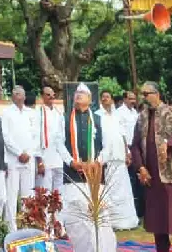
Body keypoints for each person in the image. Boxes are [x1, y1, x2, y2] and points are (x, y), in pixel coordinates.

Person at [130, 81, 172, 252]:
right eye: (142, 94)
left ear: (157, 94)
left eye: (147, 94)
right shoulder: (142, 117)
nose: (144, 98)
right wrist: (141, 168)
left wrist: (169, 144)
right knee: (158, 225)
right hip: (152, 178)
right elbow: (135, 145)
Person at [61, 83, 115, 252]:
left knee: (100, 216)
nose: (78, 95)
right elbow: (58, 144)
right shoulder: (63, 118)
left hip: (95, 175)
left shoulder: (99, 119)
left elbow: (109, 145)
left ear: (90, 100)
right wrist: (71, 161)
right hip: (73, 175)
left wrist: (97, 162)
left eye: (82, 93)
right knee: (77, 218)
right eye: (77, 93)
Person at [97, 90, 138, 231]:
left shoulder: (117, 115)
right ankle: (112, 221)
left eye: (107, 97)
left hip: (120, 156)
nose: (105, 99)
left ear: (112, 100)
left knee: (123, 188)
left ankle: (127, 221)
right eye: (102, 97)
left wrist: (127, 152)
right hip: (107, 158)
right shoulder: (97, 116)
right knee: (110, 189)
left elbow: (123, 134)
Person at [2, 86, 37, 232]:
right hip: (13, 159)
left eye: (19, 94)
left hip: (29, 159)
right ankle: (11, 228)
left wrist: (28, 153)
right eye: (14, 93)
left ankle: (27, 226)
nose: (16, 96)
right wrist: (18, 153)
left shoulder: (32, 113)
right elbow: (6, 136)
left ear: (23, 97)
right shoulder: (6, 113)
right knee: (11, 194)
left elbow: (36, 135)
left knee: (28, 194)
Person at [117, 91, 144, 219]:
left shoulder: (135, 113)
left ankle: (141, 210)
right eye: (130, 99)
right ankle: (135, 211)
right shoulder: (119, 113)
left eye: (134, 99)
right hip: (128, 150)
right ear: (124, 99)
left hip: (138, 149)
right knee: (131, 181)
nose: (133, 101)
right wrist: (127, 152)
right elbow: (121, 134)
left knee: (140, 180)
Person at [36, 86, 65, 192]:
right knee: (45, 191)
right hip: (45, 157)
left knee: (59, 191)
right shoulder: (38, 112)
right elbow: (36, 137)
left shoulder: (58, 112)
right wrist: (39, 161)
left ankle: (58, 209)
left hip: (58, 157)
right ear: (42, 96)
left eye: (53, 95)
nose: (51, 97)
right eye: (48, 95)